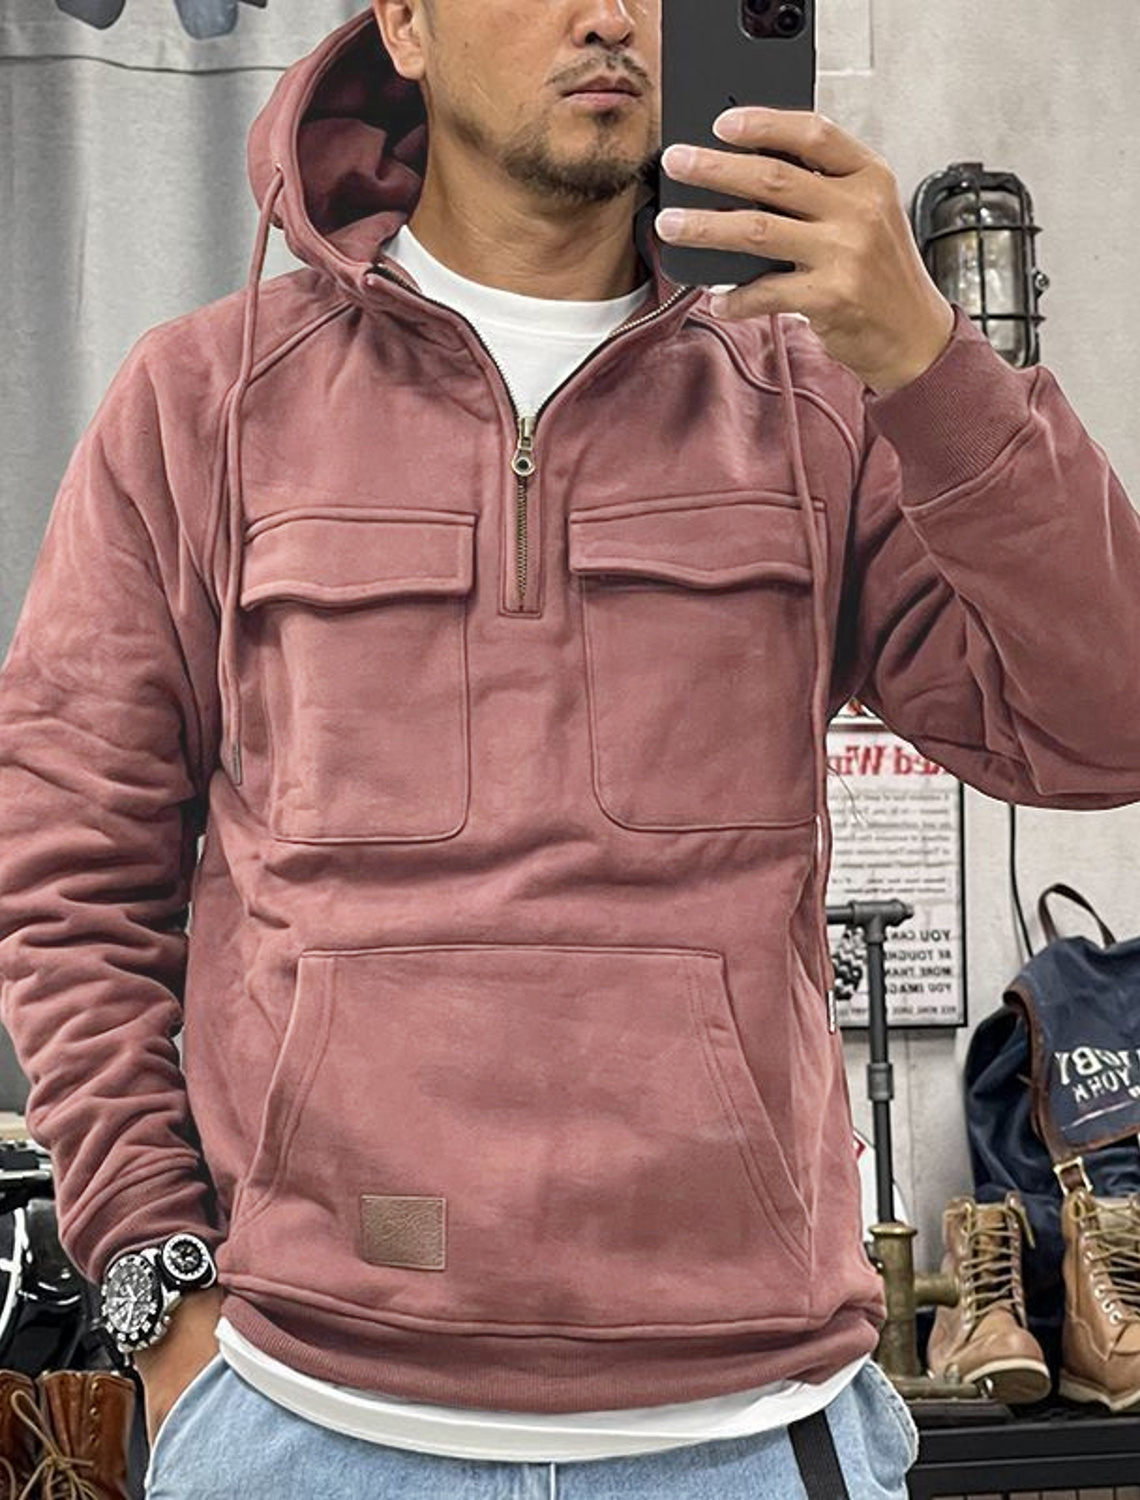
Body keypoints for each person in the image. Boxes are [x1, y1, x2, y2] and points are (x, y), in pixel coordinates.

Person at [2, 2, 1140, 1496]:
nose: (610, 14)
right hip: (303, 1421)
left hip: (749, 1428)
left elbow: (1100, 732)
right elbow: (69, 876)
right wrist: (157, 1276)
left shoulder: (814, 400)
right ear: (405, 22)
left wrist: (929, 364)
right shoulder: (205, 400)